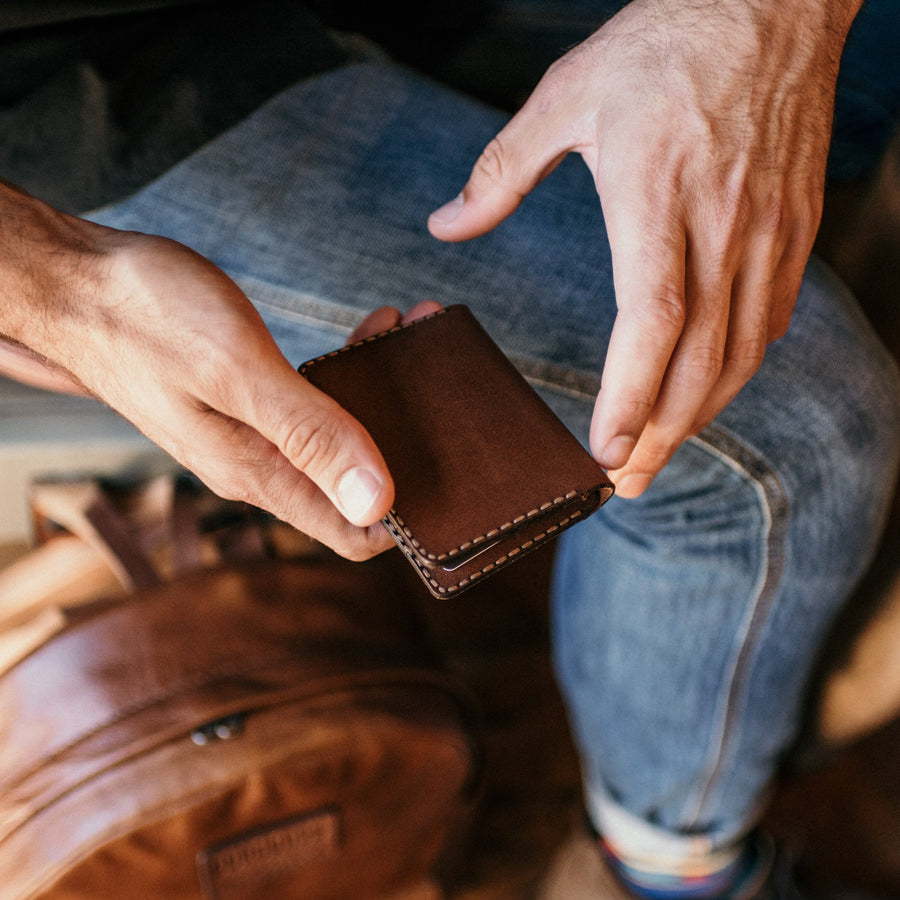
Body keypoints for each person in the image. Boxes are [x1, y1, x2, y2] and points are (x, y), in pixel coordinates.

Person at [0, 1, 898, 896]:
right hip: (83, 95)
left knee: (865, 58)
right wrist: (49, 279)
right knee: (794, 430)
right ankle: (664, 864)